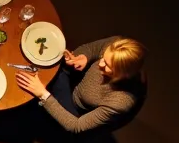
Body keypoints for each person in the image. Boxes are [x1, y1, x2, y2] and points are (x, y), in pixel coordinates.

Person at [15, 37, 147, 135]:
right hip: (76, 80)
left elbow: (76, 126)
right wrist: (84, 56)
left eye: (107, 66)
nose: (100, 64)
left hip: (76, 108)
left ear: (123, 74)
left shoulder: (120, 101)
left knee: (25, 113)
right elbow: (92, 49)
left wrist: (42, 94)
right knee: (48, 64)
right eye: (103, 58)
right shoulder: (116, 46)